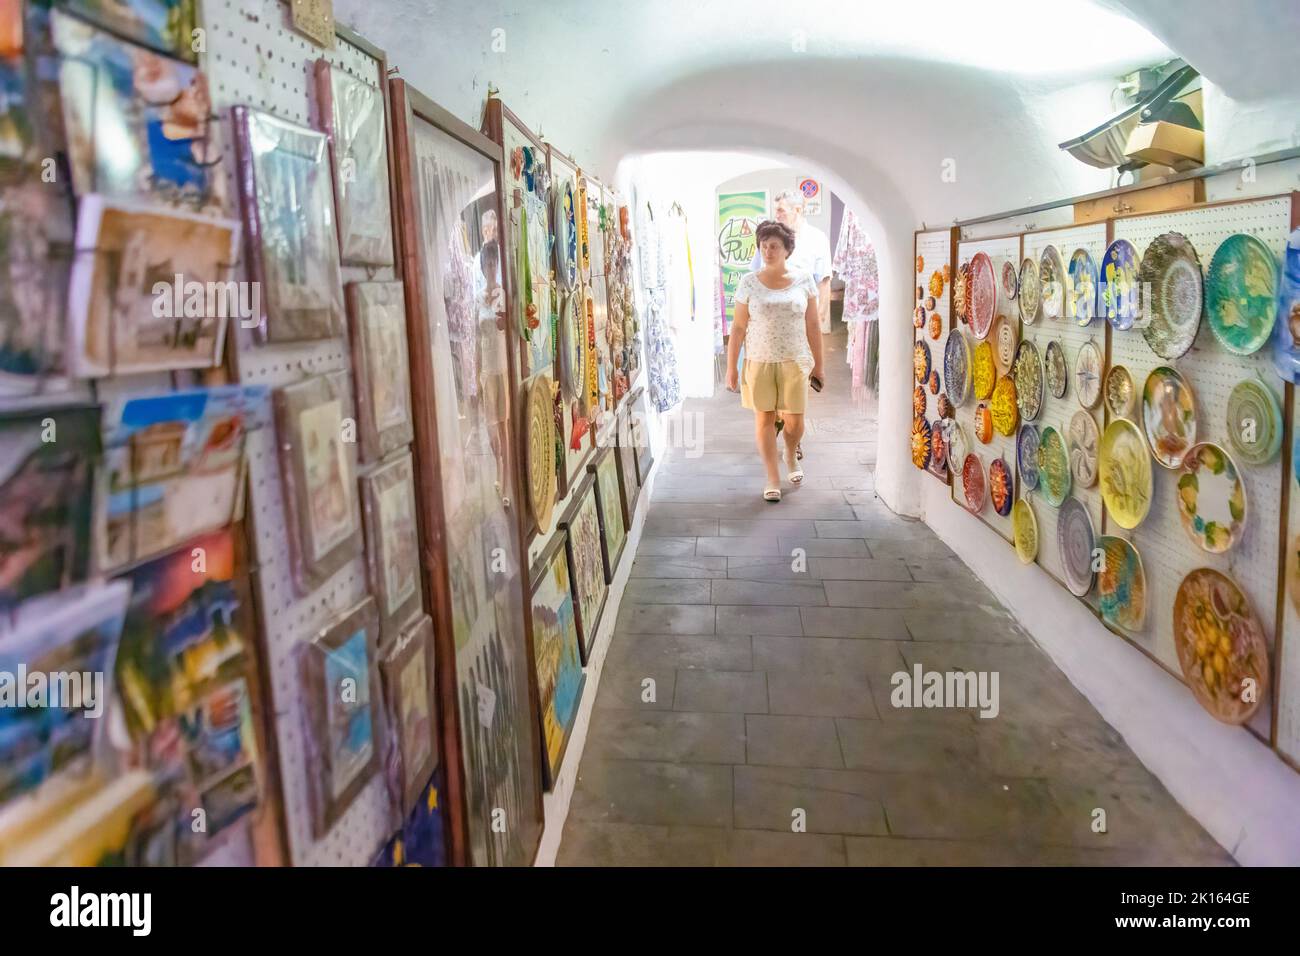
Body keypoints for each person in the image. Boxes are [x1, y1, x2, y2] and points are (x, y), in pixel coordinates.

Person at [726, 220, 824, 502]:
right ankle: (772, 476)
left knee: (795, 423)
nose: (768, 251)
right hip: (759, 360)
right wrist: (731, 366)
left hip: (795, 360)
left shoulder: (804, 279)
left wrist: (820, 365)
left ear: (786, 249)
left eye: (774, 246)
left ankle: (791, 453)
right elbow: (738, 328)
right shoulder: (748, 282)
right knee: (764, 419)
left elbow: (814, 324)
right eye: (764, 246)